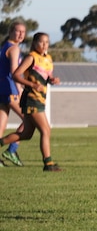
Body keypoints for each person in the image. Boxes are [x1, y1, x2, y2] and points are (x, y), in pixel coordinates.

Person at [0, 33, 61, 171]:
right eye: (41, 42)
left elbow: (45, 76)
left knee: (26, 134)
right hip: (31, 99)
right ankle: (48, 163)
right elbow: (16, 74)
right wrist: (32, 85)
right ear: (34, 43)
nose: (44, 45)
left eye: (47, 42)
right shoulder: (31, 57)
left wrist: (52, 80)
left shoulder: (48, 59)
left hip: (40, 99)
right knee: (46, 130)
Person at [0, 21, 27, 167]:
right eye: (18, 31)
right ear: (10, 32)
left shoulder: (5, 47)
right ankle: (11, 150)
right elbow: (14, 71)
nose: (21, 34)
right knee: (29, 120)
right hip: (10, 90)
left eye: (23, 32)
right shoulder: (14, 48)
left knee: (1, 125)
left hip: (2, 89)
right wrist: (19, 90)